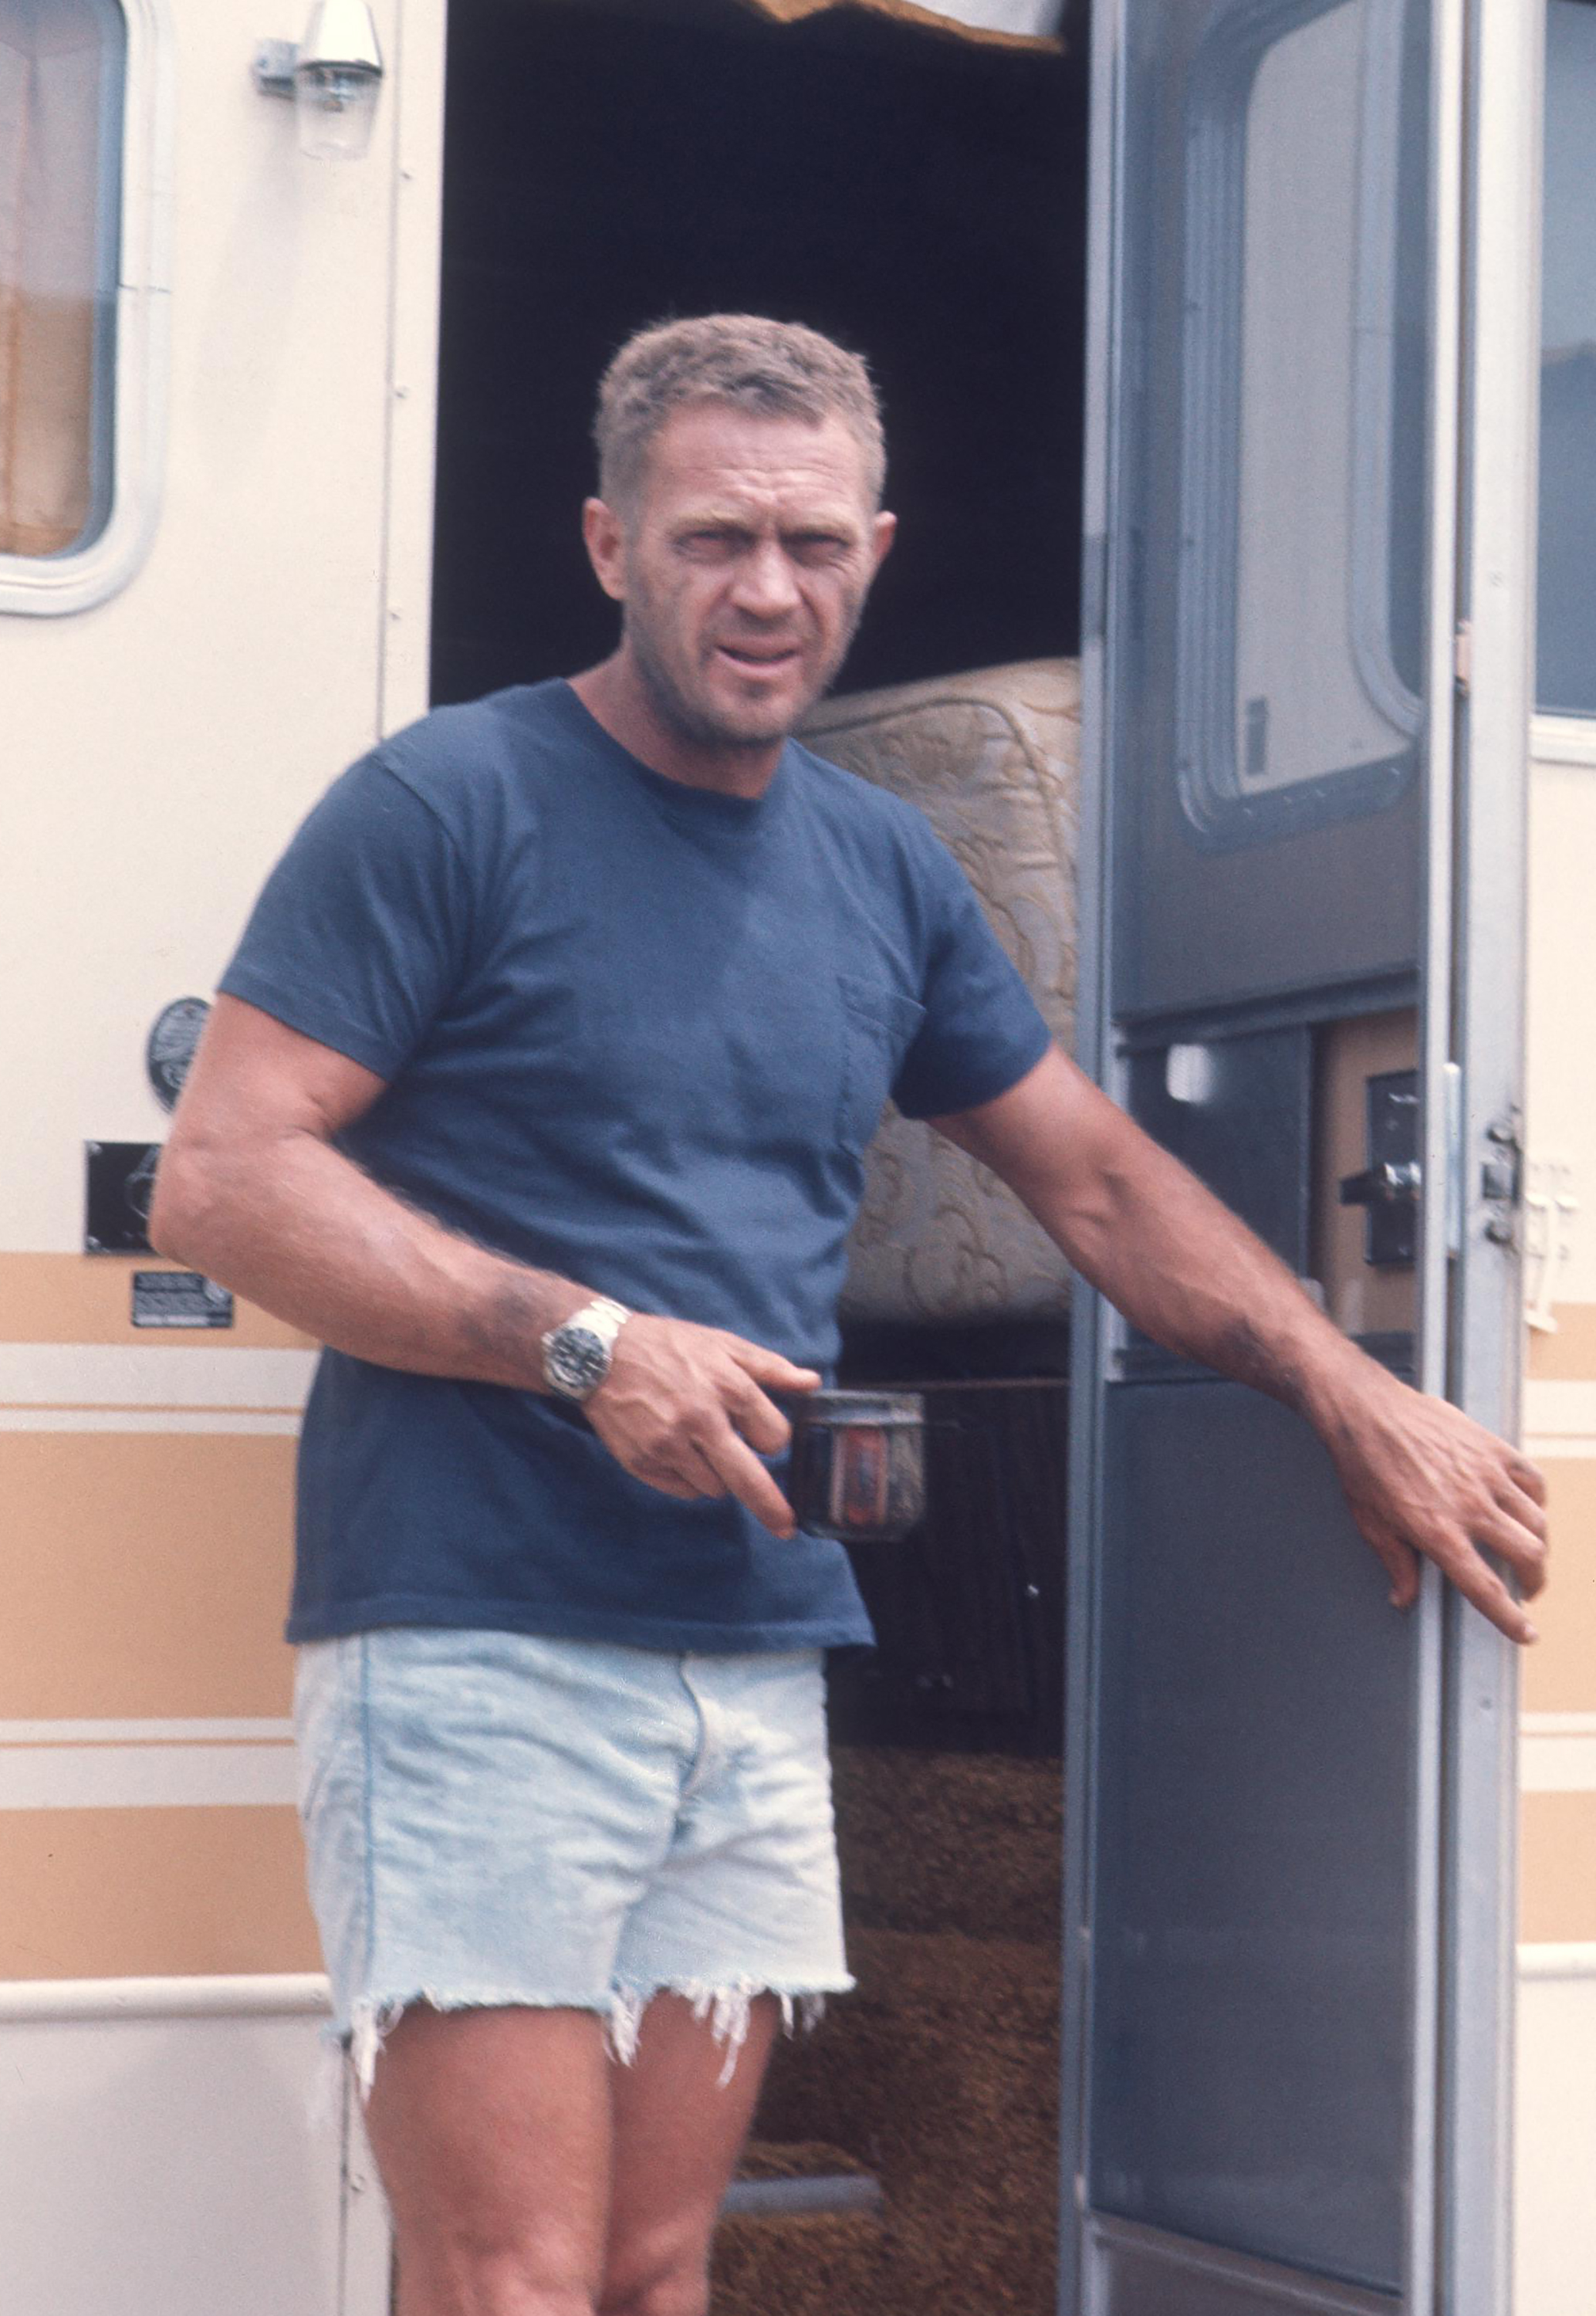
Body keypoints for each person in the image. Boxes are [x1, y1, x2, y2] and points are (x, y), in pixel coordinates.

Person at [150, 313, 1547, 2316]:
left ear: (876, 548)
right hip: (471, 1644)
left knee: (652, 2269)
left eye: (812, 545)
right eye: (714, 538)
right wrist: (584, 1344)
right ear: (608, 541)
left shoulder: (879, 870)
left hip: (743, 1646)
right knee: (511, 2279)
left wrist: (1349, 1387)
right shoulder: (446, 803)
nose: (766, 591)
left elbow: (1093, 1176)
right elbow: (227, 1176)